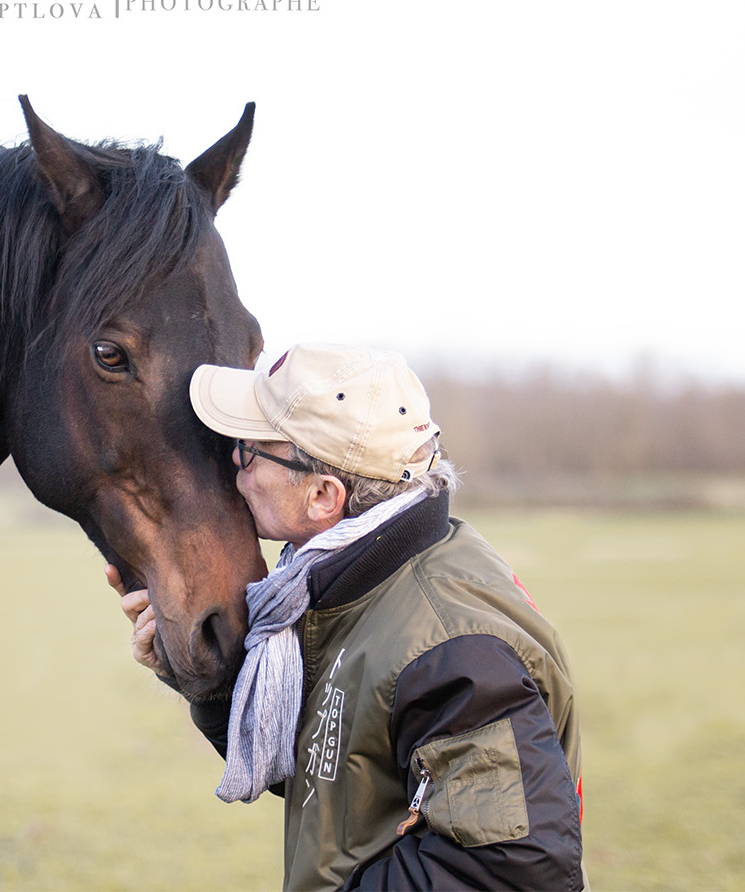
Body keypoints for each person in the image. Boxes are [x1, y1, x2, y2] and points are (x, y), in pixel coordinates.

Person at [108, 344, 584, 891]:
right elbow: (338, 777)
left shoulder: (454, 649)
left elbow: (514, 869)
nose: (232, 466)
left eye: (248, 450)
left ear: (322, 497)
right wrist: (206, 678)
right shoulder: (348, 587)